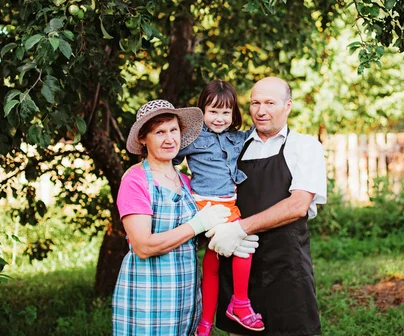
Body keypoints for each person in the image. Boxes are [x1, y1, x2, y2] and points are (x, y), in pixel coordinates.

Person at [206, 77, 327, 336]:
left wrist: (239, 229)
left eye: (270, 103)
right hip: (240, 267)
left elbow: (298, 205)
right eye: (255, 103)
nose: (261, 111)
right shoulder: (233, 146)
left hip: (287, 268)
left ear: (288, 105)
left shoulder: (304, 147)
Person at [112, 99, 239, 335]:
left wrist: (229, 233)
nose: (169, 139)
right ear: (143, 138)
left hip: (187, 298)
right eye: (159, 132)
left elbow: (190, 241)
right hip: (148, 298)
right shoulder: (136, 180)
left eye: (174, 130)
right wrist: (198, 224)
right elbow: (143, 246)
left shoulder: (187, 181)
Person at [173, 80, 262, 336]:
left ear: (234, 113)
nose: (220, 118)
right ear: (202, 110)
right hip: (205, 206)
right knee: (244, 246)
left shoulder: (238, 138)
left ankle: (205, 324)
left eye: (226, 112)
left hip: (230, 207)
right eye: (213, 111)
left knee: (212, 263)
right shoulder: (193, 138)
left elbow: (257, 137)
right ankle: (241, 304)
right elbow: (171, 160)